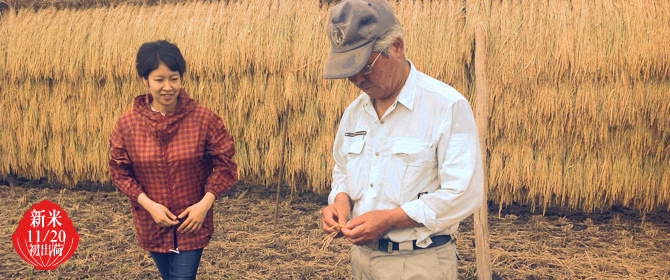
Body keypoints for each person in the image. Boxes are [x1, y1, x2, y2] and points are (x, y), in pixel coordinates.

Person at [320, 0, 484, 279]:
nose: (357, 78)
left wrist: (390, 220)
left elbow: (462, 194)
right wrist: (340, 200)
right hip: (361, 261)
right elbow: (343, 168)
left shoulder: (446, 106)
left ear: (396, 47)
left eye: (365, 66)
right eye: (348, 70)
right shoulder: (355, 113)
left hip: (419, 264)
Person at [109, 40, 237, 280]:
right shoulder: (128, 124)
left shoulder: (204, 119)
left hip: (193, 223)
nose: (167, 87)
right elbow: (119, 172)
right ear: (145, 80)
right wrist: (149, 205)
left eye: (174, 78)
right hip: (152, 223)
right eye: (159, 79)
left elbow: (226, 166)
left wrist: (204, 204)